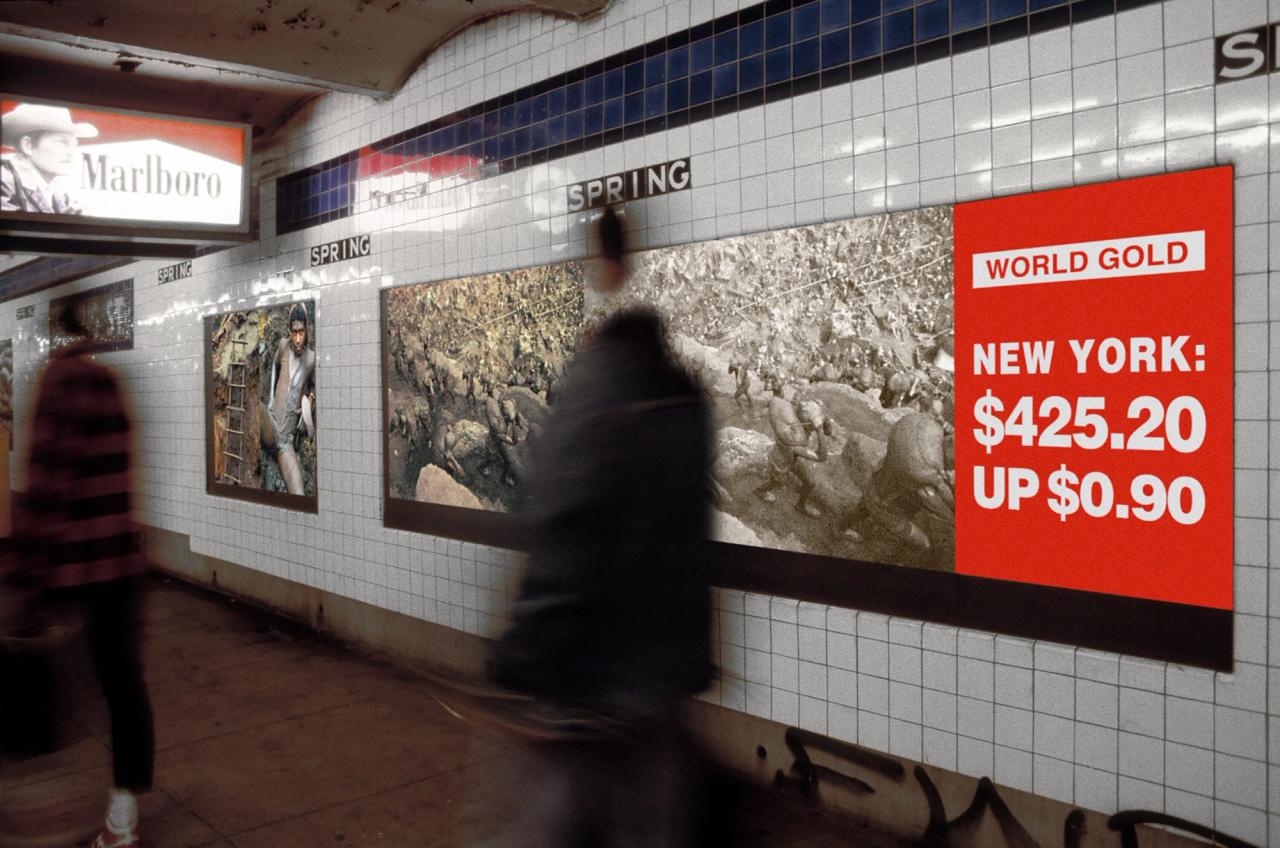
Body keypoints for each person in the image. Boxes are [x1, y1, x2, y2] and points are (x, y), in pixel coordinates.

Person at [488, 205, 715, 847]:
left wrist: (523, 657)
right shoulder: (685, 398)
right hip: (664, 677)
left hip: (587, 678)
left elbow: (565, 529)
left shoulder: (595, 390)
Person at [12, 303, 153, 847]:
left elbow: (47, 482)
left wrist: (27, 570)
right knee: (123, 686)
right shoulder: (109, 384)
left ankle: (39, 812)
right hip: (120, 561)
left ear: (57, 332)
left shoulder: (58, 384)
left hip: (73, 565)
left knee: (49, 686)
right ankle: (123, 816)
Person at [259, 303, 316, 496]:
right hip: (271, 422)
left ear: (306, 330)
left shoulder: (311, 360)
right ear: (289, 331)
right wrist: (270, 399)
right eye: (294, 333)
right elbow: (275, 366)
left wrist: (309, 403)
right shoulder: (283, 346)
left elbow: (314, 387)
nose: (298, 339)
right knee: (255, 409)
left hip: (286, 443)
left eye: (301, 332)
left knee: (298, 494)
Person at [1, 103, 97, 214]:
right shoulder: (4, 182)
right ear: (28, 145)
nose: (71, 152)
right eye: (61, 142)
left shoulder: (58, 193)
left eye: (74, 144)